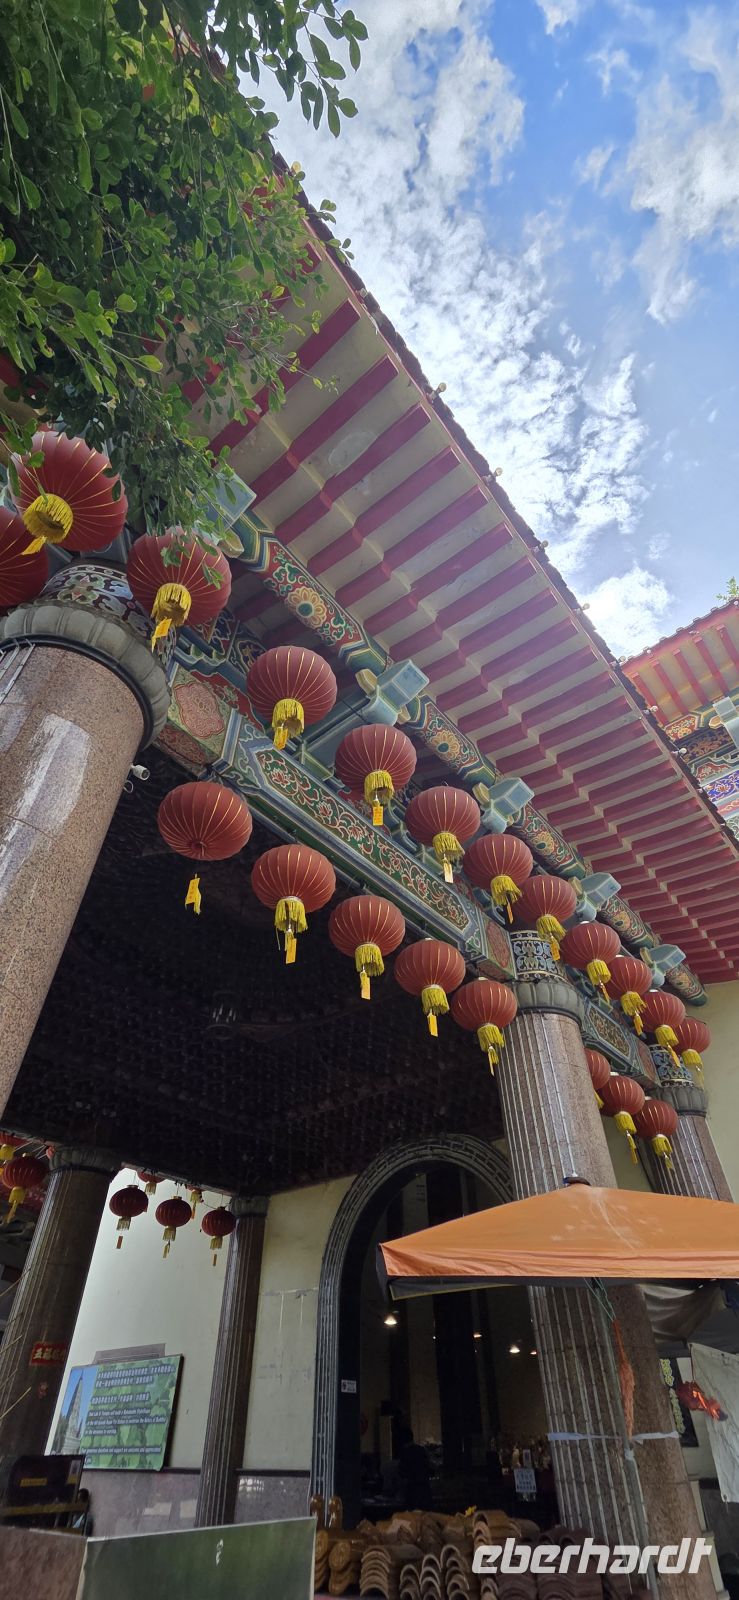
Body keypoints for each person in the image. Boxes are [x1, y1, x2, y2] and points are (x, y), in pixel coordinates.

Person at [398, 1426, 432, 1510]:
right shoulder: (422, 1450)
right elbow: (429, 1467)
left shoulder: (404, 1453)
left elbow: (402, 1473)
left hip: (411, 1490)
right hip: (424, 1489)